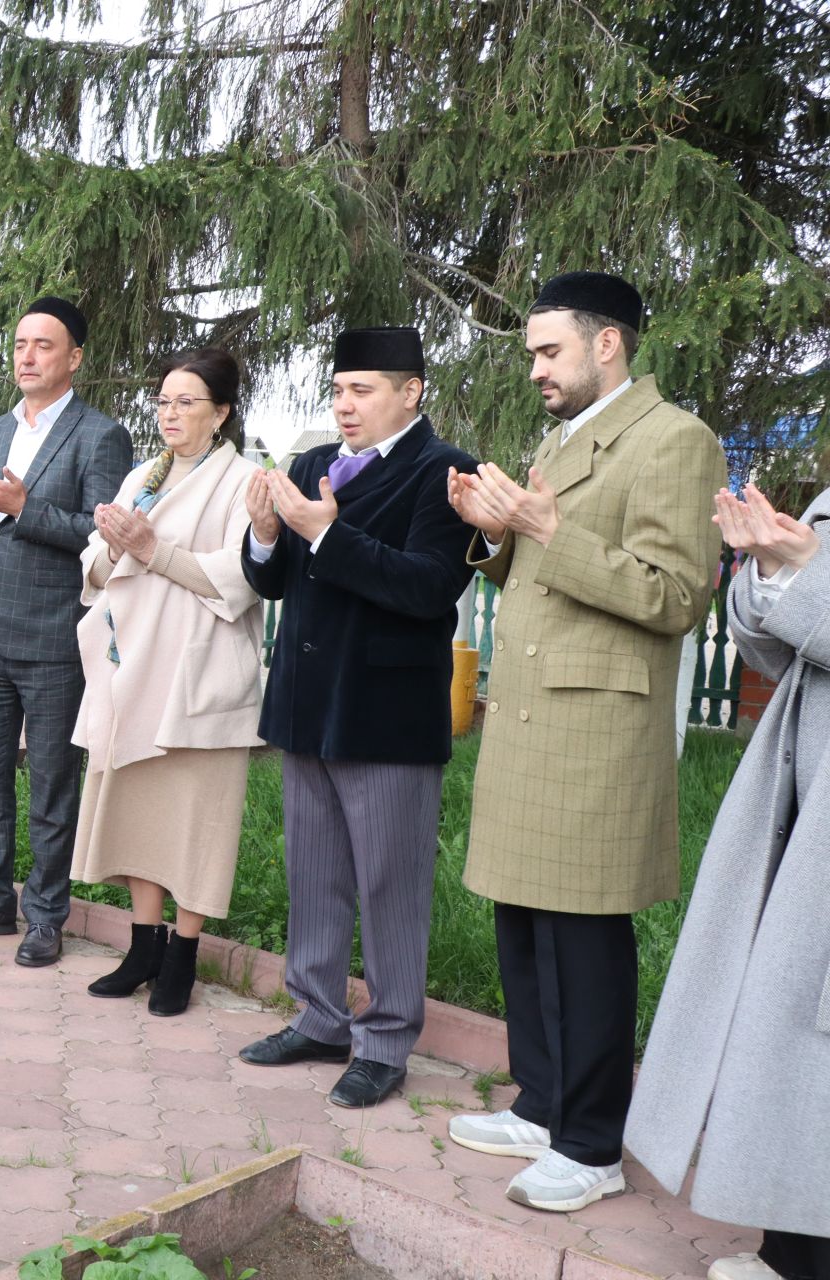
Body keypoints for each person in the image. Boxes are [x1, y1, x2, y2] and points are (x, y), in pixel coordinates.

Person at [447, 270, 726, 1211]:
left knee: (584, 931)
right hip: (532, 713)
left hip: (598, 725)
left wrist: (547, 528)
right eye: (532, 353)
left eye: (549, 350)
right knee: (523, 918)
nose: (536, 369)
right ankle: (541, 1101)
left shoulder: (675, 441)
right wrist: (497, 535)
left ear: (609, 343)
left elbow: (676, 595)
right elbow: (538, 564)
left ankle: (593, 1141)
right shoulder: (560, 438)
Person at [235, 326, 478, 1108]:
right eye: (338, 390)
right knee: (315, 874)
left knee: (389, 884)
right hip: (308, 703)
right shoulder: (309, 465)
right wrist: (267, 537)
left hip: (386, 711)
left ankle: (387, 1035)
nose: (344, 405)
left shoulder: (444, 472)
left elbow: (428, 588)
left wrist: (325, 533)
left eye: (362, 390)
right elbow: (275, 586)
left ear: (411, 393)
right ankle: (318, 1016)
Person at [625, 484, 830, 1280]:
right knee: (787, 1018)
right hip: (798, 796)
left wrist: (806, 572)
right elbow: (767, 646)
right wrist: (771, 568)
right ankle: (791, 1245)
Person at [0, 297, 134, 967]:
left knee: (50, 783)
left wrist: (23, 507)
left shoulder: (101, 436)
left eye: (43, 345)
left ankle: (46, 914)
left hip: (51, 638)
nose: (26, 355)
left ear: (74, 358)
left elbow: (101, 533)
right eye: (20, 343)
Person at [72, 348, 264, 1016]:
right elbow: (93, 567)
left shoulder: (245, 481)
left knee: (193, 820)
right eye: (162, 401)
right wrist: (115, 548)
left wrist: (154, 550)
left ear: (222, 413)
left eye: (187, 402)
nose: (171, 414)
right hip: (134, 668)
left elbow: (239, 580)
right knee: (138, 813)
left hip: (195, 671)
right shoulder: (140, 478)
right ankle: (143, 946)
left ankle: (183, 953)